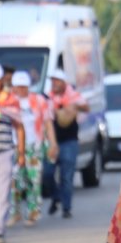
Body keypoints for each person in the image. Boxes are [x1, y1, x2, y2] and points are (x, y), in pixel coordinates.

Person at [7, 71, 58, 228]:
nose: (21, 90)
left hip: (34, 146)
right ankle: (15, 213)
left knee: (34, 181)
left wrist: (53, 143)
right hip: (14, 146)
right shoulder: (7, 102)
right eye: (18, 87)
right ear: (13, 87)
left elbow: (48, 123)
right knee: (14, 181)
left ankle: (33, 213)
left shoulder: (39, 101)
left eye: (24, 87)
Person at [43, 69, 88, 219]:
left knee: (66, 177)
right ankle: (56, 196)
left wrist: (74, 107)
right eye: (53, 80)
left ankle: (66, 208)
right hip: (51, 142)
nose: (54, 83)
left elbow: (86, 107)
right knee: (47, 173)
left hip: (69, 142)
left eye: (57, 80)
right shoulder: (48, 98)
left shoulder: (73, 96)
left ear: (64, 83)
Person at [0, 63, 25, 243]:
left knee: (2, 192)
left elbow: (19, 127)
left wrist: (21, 152)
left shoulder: (11, 100)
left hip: (5, 151)